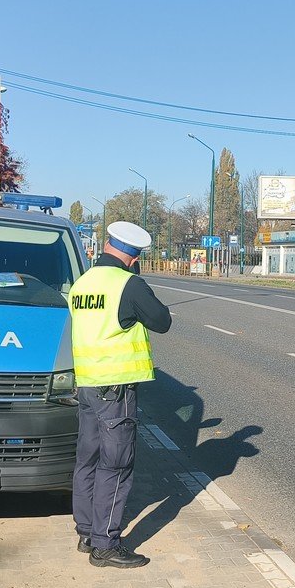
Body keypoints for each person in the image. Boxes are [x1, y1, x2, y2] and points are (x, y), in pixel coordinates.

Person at [68, 221, 172, 568]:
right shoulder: (128, 284)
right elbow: (161, 320)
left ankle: (86, 532)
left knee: (88, 459)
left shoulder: (82, 284)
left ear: (108, 245)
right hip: (115, 389)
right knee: (117, 463)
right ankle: (106, 546)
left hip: (87, 384)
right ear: (135, 256)